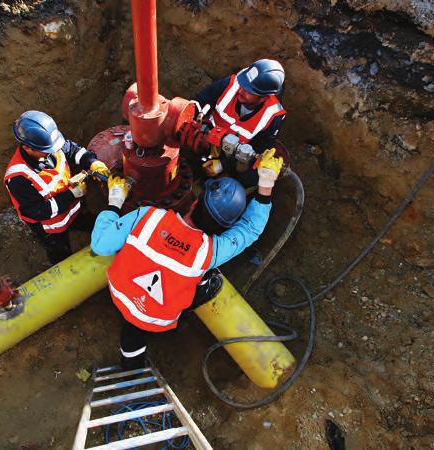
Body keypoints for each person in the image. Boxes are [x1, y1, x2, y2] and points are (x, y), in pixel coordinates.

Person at [90, 149, 284, 369]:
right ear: (226, 228)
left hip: (119, 293)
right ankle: (178, 319)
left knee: (132, 327)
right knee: (213, 281)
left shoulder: (150, 217)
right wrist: (266, 184)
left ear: (194, 203)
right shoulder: (210, 252)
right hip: (159, 317)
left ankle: (131, 364)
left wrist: (115, 200)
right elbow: (250, 229)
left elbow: (100, 245)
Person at [4, 110, 110, 265]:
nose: (54, 151)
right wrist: (71, 194)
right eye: (48, 150)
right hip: (51, 229)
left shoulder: (50, 145)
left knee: (89, 222)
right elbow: (38, 211)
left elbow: (72, 149)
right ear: (27, 147)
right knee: (60, 254)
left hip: (74, 209)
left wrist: (92, 162)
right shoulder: (18, 178)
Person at [193, 59, 287, 188]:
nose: (241, 91)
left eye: (249, 91)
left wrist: (222, 164)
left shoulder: (273, 117)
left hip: (234, 156)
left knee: (252, 177)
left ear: (263, 98)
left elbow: (258, 151)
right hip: (204, 136)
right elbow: (198, 102)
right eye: (243, 85)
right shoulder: (230, 85)